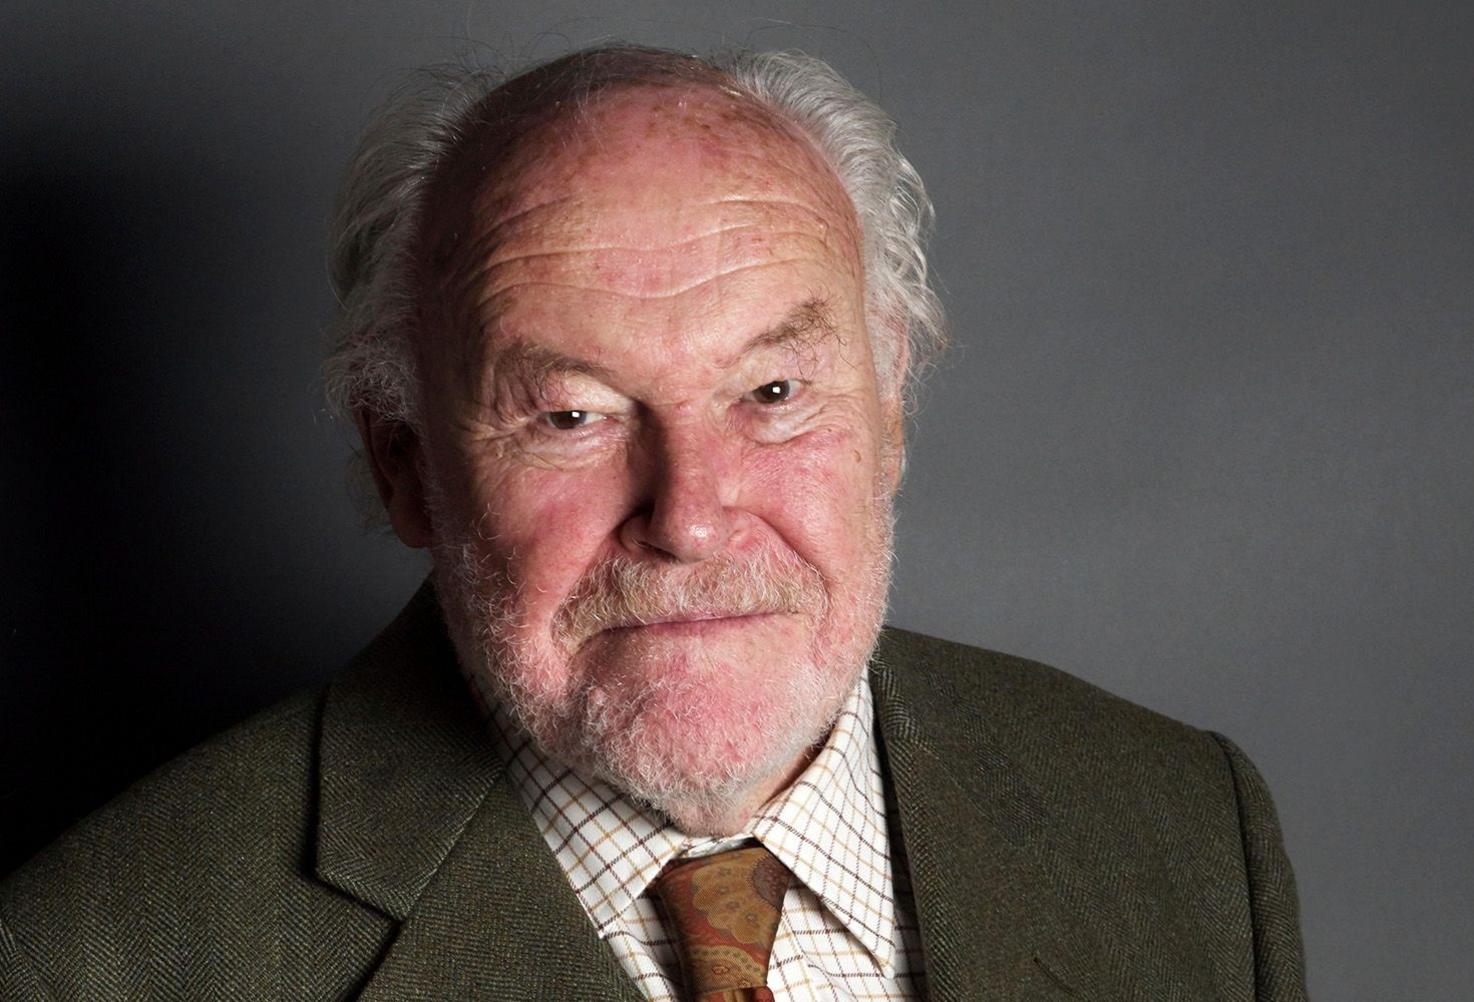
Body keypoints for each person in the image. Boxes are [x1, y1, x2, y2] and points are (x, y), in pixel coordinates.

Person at [0, 45, 1307, 1000]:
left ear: (893, 403)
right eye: (572, 414)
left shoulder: (1184, 832)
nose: (689, 516)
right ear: (405, 466)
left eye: (775, 391)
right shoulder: (96, 957)